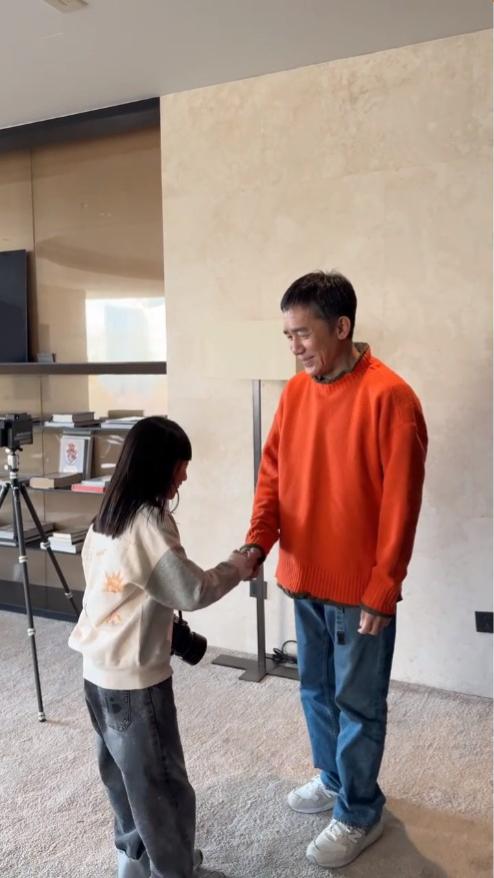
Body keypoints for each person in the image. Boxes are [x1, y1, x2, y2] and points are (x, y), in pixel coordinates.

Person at [241, 271, 427, 870]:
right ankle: (332, 778)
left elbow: (401, 504)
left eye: (303, 334)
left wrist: (383, 587)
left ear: (341, 327)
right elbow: (272, 475)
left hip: (358, 591)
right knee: (315, 691)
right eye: (288, 335)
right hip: (303, 575)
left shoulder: (391, 398)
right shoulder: (297, 393)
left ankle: (360, 811)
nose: (294, 347)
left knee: (359, 703)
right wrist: (258, 542)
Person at [68, 416, 255, 878]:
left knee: (124, 779)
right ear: (159, 466)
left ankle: (134, 864)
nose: (184, 476)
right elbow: (192, 590)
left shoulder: (107, 516)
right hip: (135, 683)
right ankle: (174, 871)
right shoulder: (150, 521)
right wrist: (237, 565)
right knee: (163, 788)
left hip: (95, 672)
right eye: (180, 465)